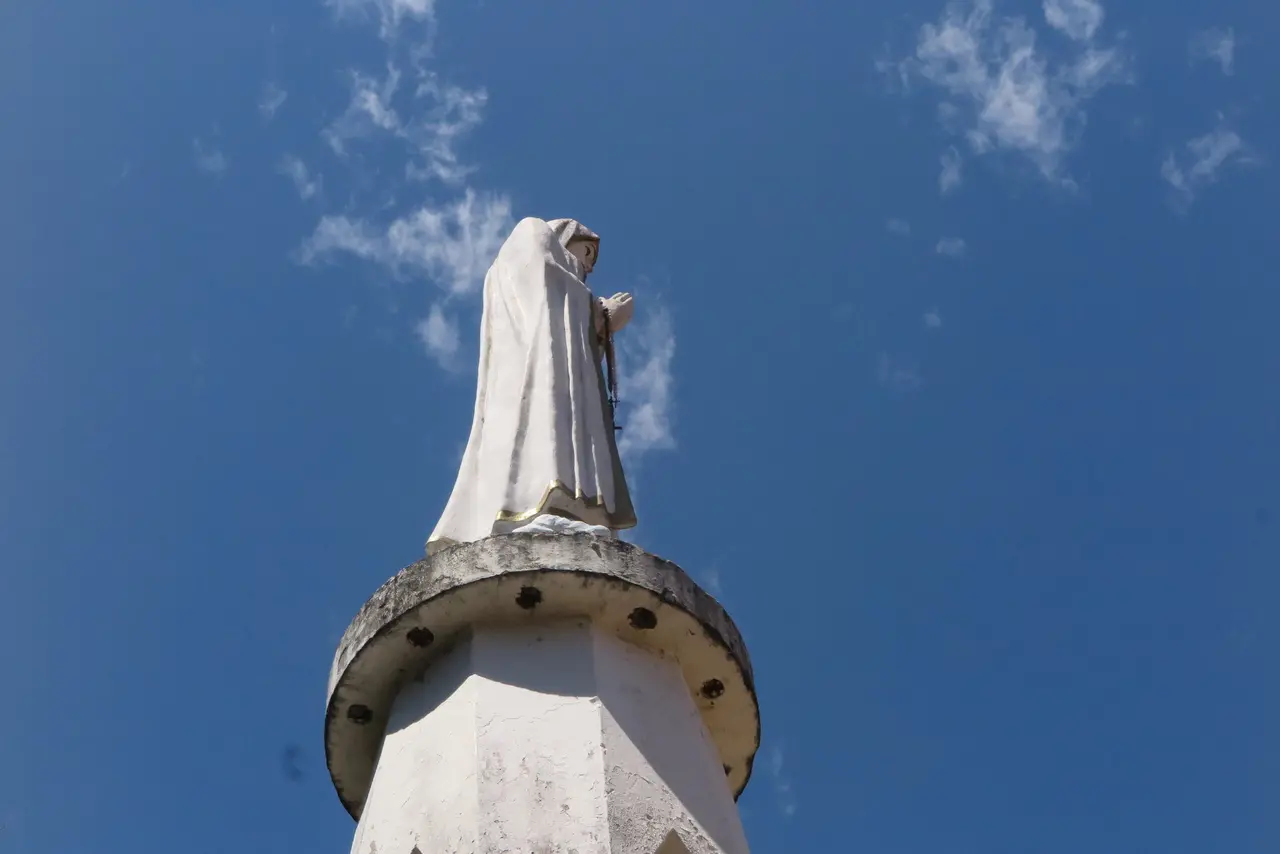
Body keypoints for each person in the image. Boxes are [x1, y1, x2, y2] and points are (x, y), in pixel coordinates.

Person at [426, 217, 638, 555]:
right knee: (539, 425)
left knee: (559, 424)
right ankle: (534, 512)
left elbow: (564, 329)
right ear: (565, 237)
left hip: (551, 372)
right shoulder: (532, 232)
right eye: (587, 253)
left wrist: (600, 328)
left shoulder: (556, 283)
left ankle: (559, 511)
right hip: (531, 376)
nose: (588, 267)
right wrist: (601, 313)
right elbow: (544, 287)